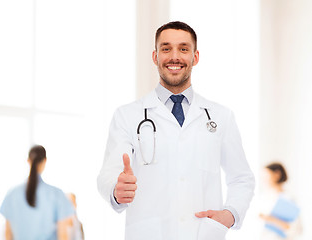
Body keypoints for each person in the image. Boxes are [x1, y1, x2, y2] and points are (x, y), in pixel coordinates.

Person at [97, 21, 255, 240]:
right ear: (155, 57)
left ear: (195, 57)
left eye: (183, 49)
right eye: (166, 48)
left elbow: (242, 178)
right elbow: (108, 173)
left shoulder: (221, 117)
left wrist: (231, 214)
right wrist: (116, 189)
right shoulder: (127, 116)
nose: (174, 57)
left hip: (202, 234)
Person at [0, 145, 74, 240]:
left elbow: (8, 234)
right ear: (45, 161)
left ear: (28, 161)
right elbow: (63, 236)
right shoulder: (57, 195)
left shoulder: (12, 194)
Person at [259, 162, 302, 240]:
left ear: (277, 174)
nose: (263, 180)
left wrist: (271, 219)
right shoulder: (262, 197)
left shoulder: (288, 198)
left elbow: (297, 229)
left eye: (266, 176)